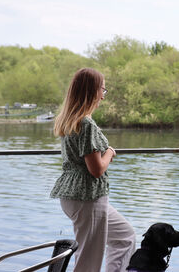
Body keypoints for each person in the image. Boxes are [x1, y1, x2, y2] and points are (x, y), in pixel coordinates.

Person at [50, 68, 136, 272]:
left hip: (76, 196)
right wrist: (110, 153)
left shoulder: (70, 119)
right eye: (103, 90)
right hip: (87, 197)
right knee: (89, 258)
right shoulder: (86, 123)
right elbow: (96, 169)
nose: (103, 97)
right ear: (92, 91)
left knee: (125, 237)